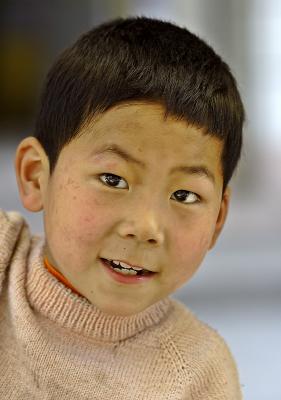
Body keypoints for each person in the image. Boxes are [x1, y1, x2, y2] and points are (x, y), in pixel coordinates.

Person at [0, 16, 245, 399]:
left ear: (217, 220)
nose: (146, 226)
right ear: (35, 177)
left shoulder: (198, 373)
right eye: (113, 180)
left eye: (184, 196)